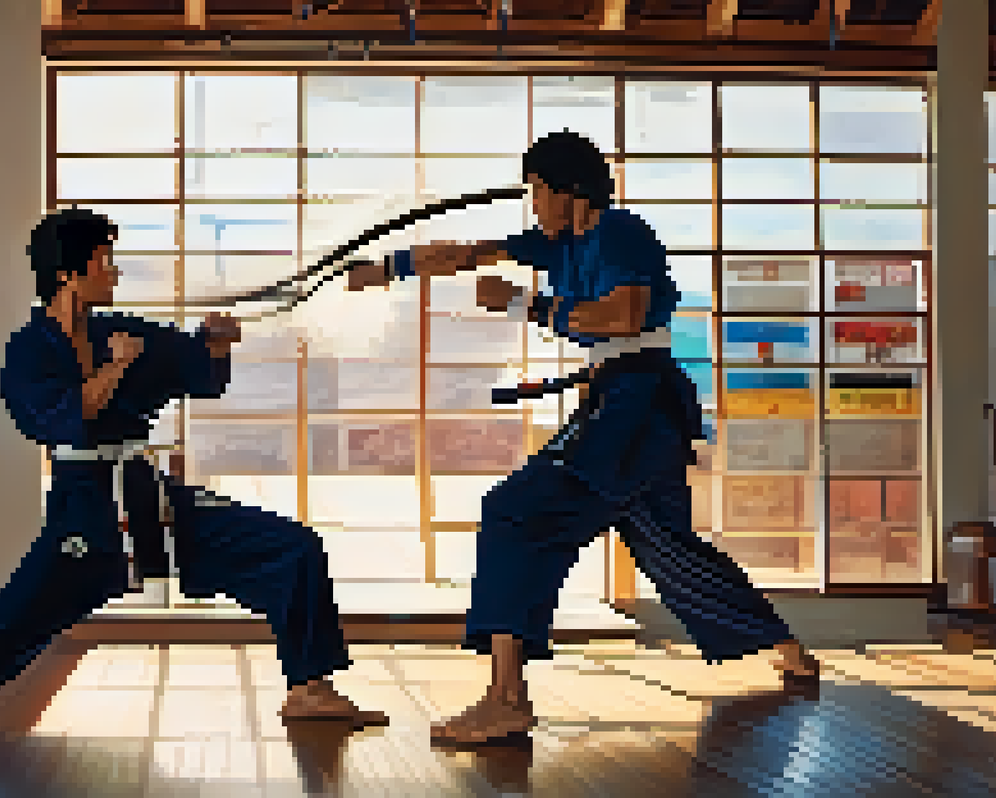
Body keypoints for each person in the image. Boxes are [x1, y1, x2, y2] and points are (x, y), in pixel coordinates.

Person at [0, 208, 386, 741]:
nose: (113, 270)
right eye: (104, 260)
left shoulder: (120, 330)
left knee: (291, 546)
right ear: (69, 273)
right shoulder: (28, 351)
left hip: (148, 501)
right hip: (85, 511)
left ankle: (310, 687)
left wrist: (215, 341)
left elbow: (200, 369)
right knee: (9, 624)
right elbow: (70, 419)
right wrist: (116, 365)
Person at [349, 130, 821, 746]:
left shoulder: (621, 234)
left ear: (566, 190)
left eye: (538, 192)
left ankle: (506, 698)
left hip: (635, 403)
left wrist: (525, 306)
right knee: (666, 542)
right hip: (629, 404)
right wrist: (388, 269)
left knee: (515, 513)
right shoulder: (557, 243)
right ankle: (789, 650)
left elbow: (625, 315)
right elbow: (469, 253)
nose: (534, 205)